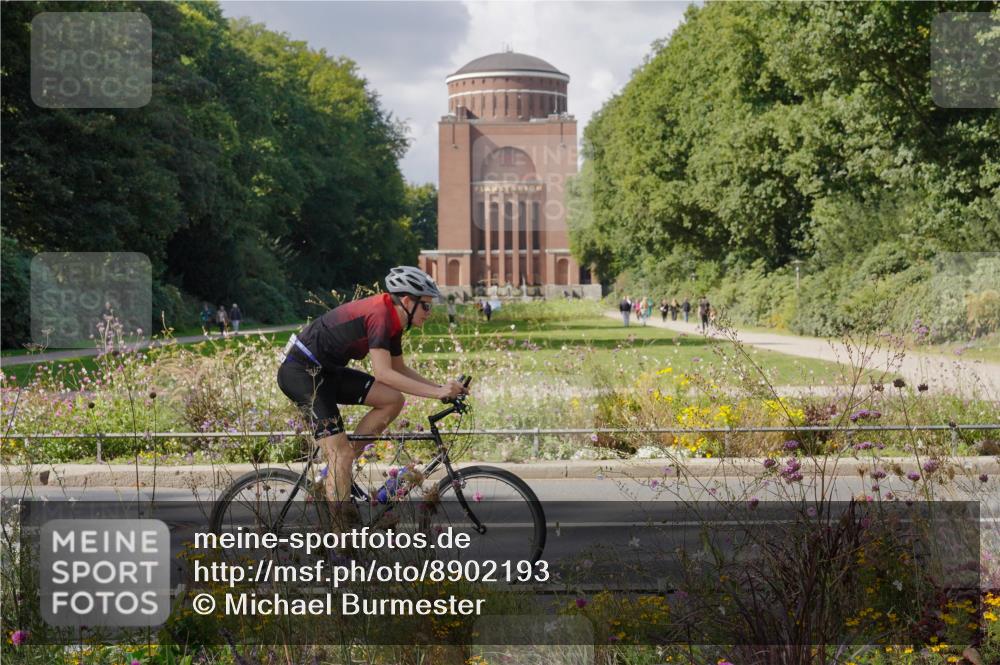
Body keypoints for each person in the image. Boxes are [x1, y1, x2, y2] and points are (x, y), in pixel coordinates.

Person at [277, 266, 467, 521]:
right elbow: (384, 374)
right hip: (301, 373)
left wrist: (440, 389)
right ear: (408, 301)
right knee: (340, 453)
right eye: (426, 306)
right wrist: (437, 392)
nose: (429, 313)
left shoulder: (396, 321)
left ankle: (336, 473)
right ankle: (342, 544)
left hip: (326, 372)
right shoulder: (380, 314)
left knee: (392, 400)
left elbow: (398, 368)